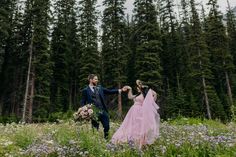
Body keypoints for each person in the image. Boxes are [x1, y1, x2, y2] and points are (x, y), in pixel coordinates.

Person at [111, 80, 160, 149]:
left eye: (138, 87)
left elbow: (155, 94)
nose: (137, 88)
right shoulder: (138, 95)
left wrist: (146, 88)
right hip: (133, 112)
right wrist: (130, 89)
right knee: (131, 126)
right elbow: (130, 97)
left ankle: (140, 142)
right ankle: (131, 140)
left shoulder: (145, 95)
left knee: (139, 126)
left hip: (140, 112)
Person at [80, 74, 126, 139]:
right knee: (95, 128)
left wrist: (120, 90)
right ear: (90, 80)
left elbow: (109, 91)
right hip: (93, 112)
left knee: (107, 126)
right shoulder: (85, 90)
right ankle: (95, 141)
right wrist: (84, 109)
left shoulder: (100, 88)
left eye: (97, 79)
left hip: (103, 110)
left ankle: (106, 140)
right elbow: (83, 101)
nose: (97, 80)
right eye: (95, 79)